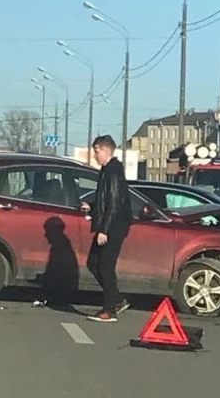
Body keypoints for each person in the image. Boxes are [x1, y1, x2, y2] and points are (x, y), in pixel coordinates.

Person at [79, 135, 133, 323]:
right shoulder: (106, 170)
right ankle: (116, 299)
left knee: (105, 265)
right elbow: (105, 199)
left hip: (114, 226)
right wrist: (92, 206)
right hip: (108, 223)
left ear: (106, 150)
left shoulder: (114, 171)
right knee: (93, 263)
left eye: (96, 151)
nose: (95, 155)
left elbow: (115, 203)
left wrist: (105, 230)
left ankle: (109, 310)